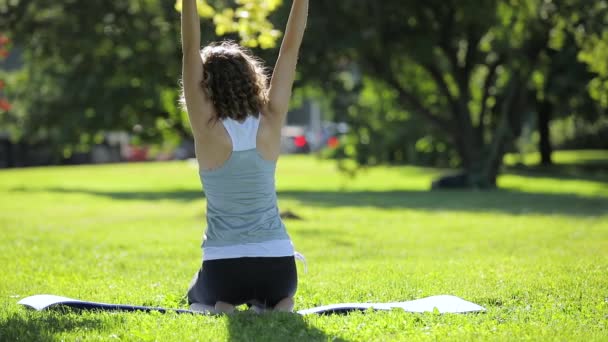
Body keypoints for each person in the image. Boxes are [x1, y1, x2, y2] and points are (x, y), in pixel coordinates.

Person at [180, 0, 308, 314]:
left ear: (206, 87)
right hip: (279, 270)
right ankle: (279, 304)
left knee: (195, 294)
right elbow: (290, 50)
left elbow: (189, 48)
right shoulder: (271, 119)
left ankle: (222, 305)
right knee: (275, 292)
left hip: (224, 271)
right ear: (251, 79)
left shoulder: (207, 129)